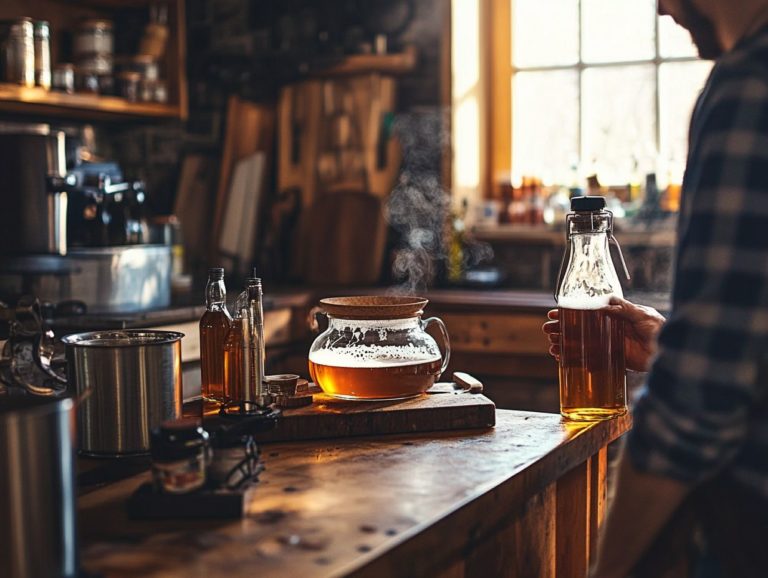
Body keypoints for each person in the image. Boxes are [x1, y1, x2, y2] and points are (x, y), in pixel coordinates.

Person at [543, 1, 768, 576]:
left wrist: (610, 568)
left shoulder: (749, 88)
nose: (664, 7)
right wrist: (669, 344)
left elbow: (695, 406)